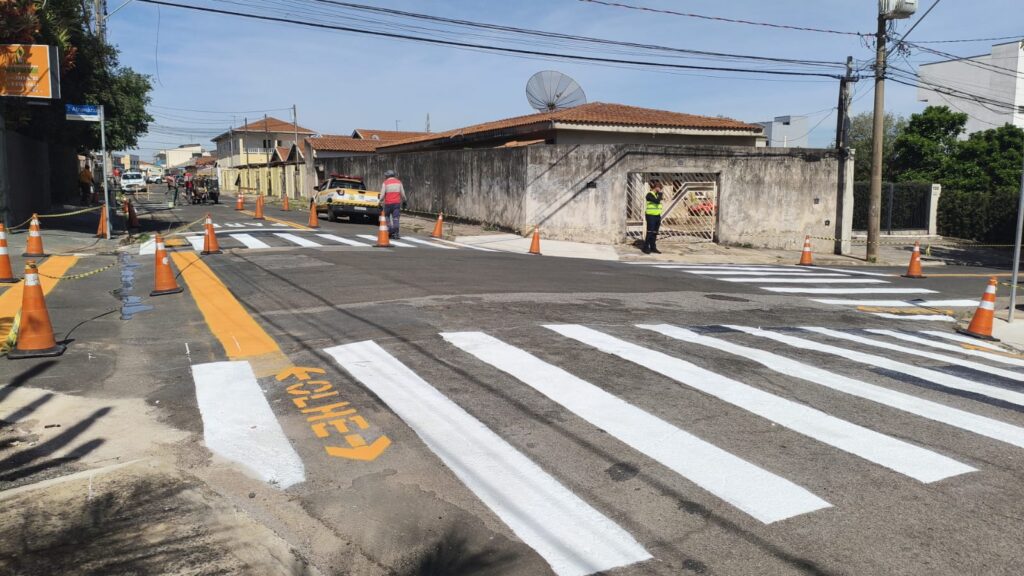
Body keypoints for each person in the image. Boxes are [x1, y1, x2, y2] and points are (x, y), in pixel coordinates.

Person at [380, 169, 407, 238]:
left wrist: (380, 201)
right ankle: (396, 233)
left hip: (388, 204)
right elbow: (403, 194)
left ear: (387, 176)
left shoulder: (385, 183)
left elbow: (382, 195)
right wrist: (404, 201)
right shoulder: (399, 182)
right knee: (396, 218)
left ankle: (390, 231)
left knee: (386, 217)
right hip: (396, 204)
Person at [642, 180, 664, 254]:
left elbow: (658, 201)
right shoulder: (649, 195)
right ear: (656, 187)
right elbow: (657, 201)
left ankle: (653, 247)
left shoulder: (657, 194)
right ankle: (645, 247)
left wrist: (659, 194)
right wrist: (660, 193)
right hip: (650, 216)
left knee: (655, 232)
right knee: (650, 232)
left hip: (657, 216)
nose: (660, 189)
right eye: (659, 187)